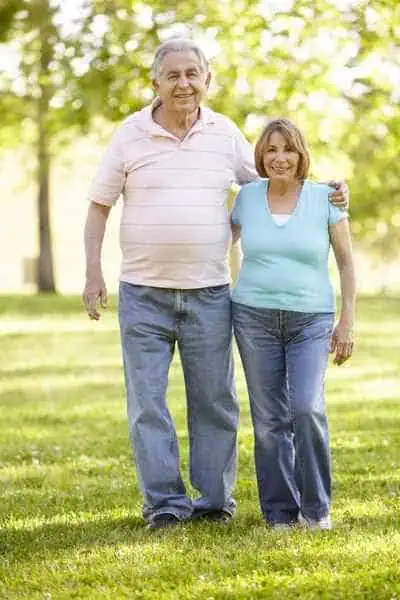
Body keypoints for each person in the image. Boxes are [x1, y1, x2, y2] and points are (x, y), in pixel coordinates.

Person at [83, 38, 348, 530]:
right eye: (173, 75)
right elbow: (99, 204)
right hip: (143, 291)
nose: (183, 83)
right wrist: (93, 272)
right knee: (147, 403)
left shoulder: (224, 133)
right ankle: (164, 504)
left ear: (206, 80)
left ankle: (213, 502)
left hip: (209, 292)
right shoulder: (129, 135)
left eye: (192, 74)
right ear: (155, 83)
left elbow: (273, 182)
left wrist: (329, 190)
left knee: (213, 402)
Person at [231, 118, 356, 530]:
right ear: (261, 157)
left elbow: (346, 262)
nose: (279, 158)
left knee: (306, 408)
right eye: (270, 150)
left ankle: (316, 509)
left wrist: (347, 321)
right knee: (268, 420)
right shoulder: (246, 197)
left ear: (301, 155)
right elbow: (215, 241)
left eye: (287, 150)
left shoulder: (326, 197)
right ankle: (280, 512)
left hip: (311, 319)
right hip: (252, 316)